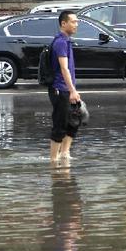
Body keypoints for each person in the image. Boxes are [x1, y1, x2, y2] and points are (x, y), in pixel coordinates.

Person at [49, 10, 80, 162]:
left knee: (76, 119)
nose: (76, 24)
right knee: (60, 124)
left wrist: (73, 89)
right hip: (60, 89)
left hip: (67, 88)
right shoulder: (60, 42)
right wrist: (72, 90)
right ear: (63, 23)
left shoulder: (66, 40)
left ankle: (64, 154)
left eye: (76, 21)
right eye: (73, 22)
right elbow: (64, 68)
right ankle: (53, 161)